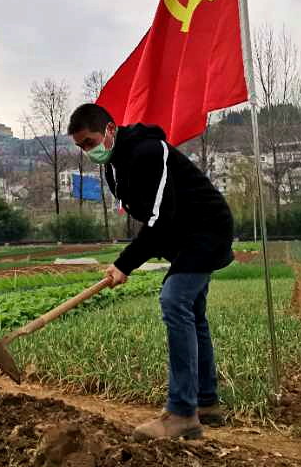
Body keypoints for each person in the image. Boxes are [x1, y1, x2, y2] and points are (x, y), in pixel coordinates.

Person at [68, 103, 233, 439]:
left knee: (174, 301)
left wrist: (125, 263)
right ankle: (206, 402)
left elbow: (160, 219)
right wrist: (128, 261)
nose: (89, 151)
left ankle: (182, 413)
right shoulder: (113, 170)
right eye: (82, 147)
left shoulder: (148, 151)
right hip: (182, 237)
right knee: (192, 312)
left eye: (90, 141)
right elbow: (153, 221)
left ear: (110, 130)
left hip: (206, 230)